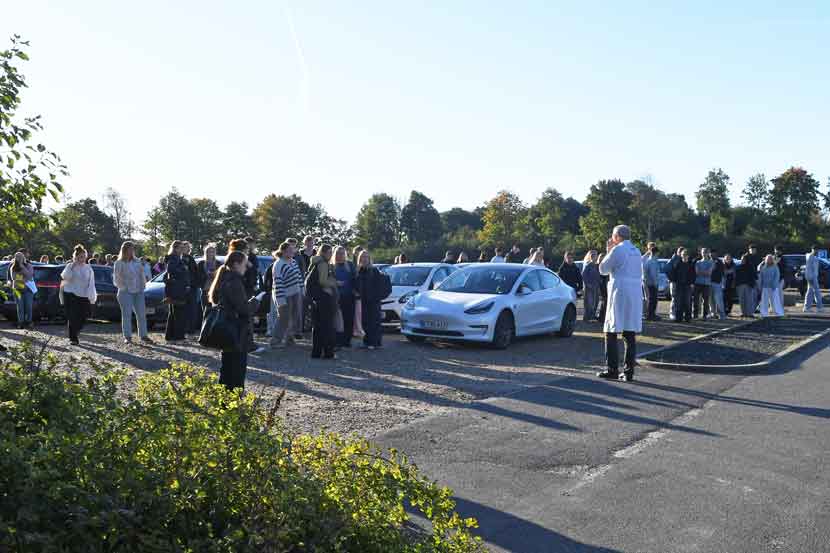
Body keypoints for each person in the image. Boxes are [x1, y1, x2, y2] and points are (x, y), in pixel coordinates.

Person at [208, 251, 260, 390]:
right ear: (236, 264)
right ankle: (234, 399)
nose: (246, 268)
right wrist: (255, 302)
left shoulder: (224, 277)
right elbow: (243, 308)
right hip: (236, 330)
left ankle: (223, 398)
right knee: (236, 370)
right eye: (244, 264)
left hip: (226, 329)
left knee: (227, 368)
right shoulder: (234, 281)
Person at [597, 225, 643, 382]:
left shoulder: (618, 250)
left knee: (611, 329)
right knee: (629, 332)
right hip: (634, 292)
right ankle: (629, 371)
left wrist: (609, 250)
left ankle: (612, 369)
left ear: (617, 236)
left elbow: (603, 269)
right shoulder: (637, 251)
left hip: (620, 291)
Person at [113, 241, 151, 344]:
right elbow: (116, 278)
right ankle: (127, 337)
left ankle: (143, 335)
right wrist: (124, 287)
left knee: (141, 314)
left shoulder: (137, 261)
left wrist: (143, 286)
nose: (131, 251)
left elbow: (141, 274)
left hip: (138, 291)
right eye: (129, 249)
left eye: (132, 249)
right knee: (127, 315)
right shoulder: (119, 263)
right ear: (124, 250)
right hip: (125, 292)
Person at [270, 241, 305, 349]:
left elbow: (299, 276)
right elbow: (278, 283)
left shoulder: (293, 262)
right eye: (289, 250)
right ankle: (275, 341)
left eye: (292, 250)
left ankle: (289, 338)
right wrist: (281, 300)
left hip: (296, 293)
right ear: (283, 251)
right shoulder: (278, 264)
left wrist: (302, 290)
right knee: (283, 318)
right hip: (284, 295)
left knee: (295, 316)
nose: (292, 252)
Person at [60, 245, 97, 346]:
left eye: (84, 257)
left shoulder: (88, 268)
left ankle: (75, 332)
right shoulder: (70, 266)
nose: (83, 259)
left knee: (83, 318)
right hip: (70, 294)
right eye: (80, 257)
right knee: (73, 317)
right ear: (76, 257)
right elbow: (65, 277)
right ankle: (73, 338)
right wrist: (72, 266)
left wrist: (92, 297)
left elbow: (91, 283)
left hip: (84, 296)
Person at [307, 244, 338, 359]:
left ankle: (316, 352)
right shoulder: (323, 264)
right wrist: (335, 283)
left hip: (316, 299)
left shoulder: (314, 263)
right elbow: (323, 281)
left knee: (317, 326)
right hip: (324, 298)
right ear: (323, 253)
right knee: (327, 325)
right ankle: (328, 352)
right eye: (329, 252)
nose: (331, 255)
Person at [356, 250, 389, 350]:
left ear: (369, 259)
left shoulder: (374, 270)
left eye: (366, 257)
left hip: (373, 300)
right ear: (359, 259)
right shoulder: (359, 270)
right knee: (365, 322)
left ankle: (374, 342)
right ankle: (368, 342)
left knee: (374, 322)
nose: (364, 259)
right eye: (362, 257)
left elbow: (378, 285)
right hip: (363, 300)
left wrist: (376, 296)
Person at [163, 241, 190, 343]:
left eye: (183, 247)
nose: (182, 249)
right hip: (176, 289)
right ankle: (178, 337)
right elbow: (171, 271)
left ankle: (170, 336)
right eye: (180, 248)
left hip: (177, 288)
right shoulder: (173, 258)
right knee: (178, 313)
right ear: (175, 248)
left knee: (174, 314)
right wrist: (183, 269)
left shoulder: (178, 258)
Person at [333, 246, 357, 348]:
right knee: (337, 319)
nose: (340, 255)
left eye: (342, 253)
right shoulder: (331, 266)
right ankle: (338, 340)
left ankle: (347, 341)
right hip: (336, 297)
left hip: (349, 296)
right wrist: (335, 282)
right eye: (338, 253)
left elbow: (355, 278)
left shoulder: (350, 265)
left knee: (348, 319)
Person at [8, 251, 35, 329]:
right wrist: (24, 278)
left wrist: (22, 267)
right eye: (17, 257)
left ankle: (29, 322)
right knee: (20, 307)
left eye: (20, 256)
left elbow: (29, 276)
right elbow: (14, 278)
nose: (19, 258)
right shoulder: (12, 267)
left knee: (28, 306)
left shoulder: (29, 265)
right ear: (15, 258)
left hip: (28, 289)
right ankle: (21, 322)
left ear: (23, 257)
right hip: (17, 289)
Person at [670, 248, 695, 322]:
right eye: (683, 255)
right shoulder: (677, 264)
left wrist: (692, 283)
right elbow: (673, 273)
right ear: (681, 255)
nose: (684, 256)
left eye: (685, 255)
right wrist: (673, 282)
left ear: (688, 256)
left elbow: (693, 275)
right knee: (678, 302)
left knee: (687, 302)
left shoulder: (691, 264)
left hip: (687, 285)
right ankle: (678, 318)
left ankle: (688, 318)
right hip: (679, 285)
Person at [182, 242, 202, 335]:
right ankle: (184, 329)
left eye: (187, 247)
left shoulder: (191, 258)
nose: (186, 249)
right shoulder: (179, 258)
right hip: (183, 288)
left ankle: (191, 329)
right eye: (184, 247)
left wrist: (197, 283)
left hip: (193, 287)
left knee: (193, 309)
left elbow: (195, 272)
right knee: (184, 309)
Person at [197, 244, 220, 313]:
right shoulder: (201, 264)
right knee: (205, 311)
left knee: (215, 311)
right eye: (209, 251)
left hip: (216, 291)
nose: (211, 253)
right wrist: (206, 276)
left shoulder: (218, 263)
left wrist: (214, 275)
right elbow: (198, 277)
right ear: (206, 253)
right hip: (205, 290)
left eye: (212, 251)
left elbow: (221, 276)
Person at [692, 248, 713, 319]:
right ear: (701, 253)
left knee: (706, 301)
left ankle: (704, 315)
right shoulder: (698, 262)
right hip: (697, 283)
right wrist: (704, 272)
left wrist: (701, 272)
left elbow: (709, 273)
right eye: (703, 252)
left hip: (706, 284)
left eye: (706, 252)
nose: (704, 254)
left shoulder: (711, 262)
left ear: (708, 253)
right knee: (696, 300)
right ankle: (695, 315)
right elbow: (697, 273)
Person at [735, 253, 757, 318]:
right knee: (741, 300)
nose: (742, 260)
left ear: (746, 260)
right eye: (741, 259)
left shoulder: (750, 267)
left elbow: (754, 276)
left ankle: (750, 313)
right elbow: (736, 277)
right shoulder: (738, 267)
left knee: (749, 300)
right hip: (740, 286)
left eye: (744, 259)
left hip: (749, 285)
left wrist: (753, 284)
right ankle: (743, 313)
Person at [642, 245, 661, 321]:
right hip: (652, 283)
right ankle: (651, 315)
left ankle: (651, 315)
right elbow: (653, 274)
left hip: (649, 283)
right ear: (656, 253)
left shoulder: (649, 260)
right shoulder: (652, 261)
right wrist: (655, 283)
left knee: (652, 300)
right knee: (653, 300)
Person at [581, 250, 601, 321]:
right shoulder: (588, 265)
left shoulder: (597, 266)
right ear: (590, 257)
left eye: (595, 255)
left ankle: (592, 316)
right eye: (593, 256)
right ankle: (587, 317)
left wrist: (599, 284)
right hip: (589, 288)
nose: (594, 257)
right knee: (589, 303)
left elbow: (599, 276)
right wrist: (587, 284)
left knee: (595, 302)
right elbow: (583, 275)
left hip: (596, 287)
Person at [803, 245, 823, 312]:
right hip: (812, 277)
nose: (816, 251)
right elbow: (808, 269)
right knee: (816, 292)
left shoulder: (814, 257)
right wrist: (809, 277)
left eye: (817, 250)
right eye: (815, 249)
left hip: (813, 277)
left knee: (811, 292)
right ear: (812, 249)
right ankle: (819, 307)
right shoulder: (810, 257)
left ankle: (807, 307)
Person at [708, 250, 726, 320]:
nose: (712, 255)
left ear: (716, 254)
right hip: (709, 283)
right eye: (711, 254)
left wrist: (723, 283)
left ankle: (722, 315)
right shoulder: (708, 261)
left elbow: (723, 273)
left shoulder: (720, 262)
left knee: (719, 300)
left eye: (713, 254)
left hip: (717, 283)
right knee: (710, 300)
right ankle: (713, 314)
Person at [667, 247, 683, 320]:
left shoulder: (683, 259)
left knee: (680, 299)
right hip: (674, 282)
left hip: (681, 282)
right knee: (674, 298)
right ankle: (672, 313)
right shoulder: (673, 259)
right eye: (679, 252)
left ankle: (678, 313)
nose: (680, 253)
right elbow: (667, 269)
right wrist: (670, 279)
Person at [745, 244, 762, 311]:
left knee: (758, 293)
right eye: (751, 249)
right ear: (749, 250)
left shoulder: (758, 257)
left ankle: (756, 307)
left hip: (758, 276)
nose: (752, 250)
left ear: (756, 250)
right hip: (749, 277)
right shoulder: (746, 257)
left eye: (754, 249)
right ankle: (751, 308)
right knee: (750, 294)